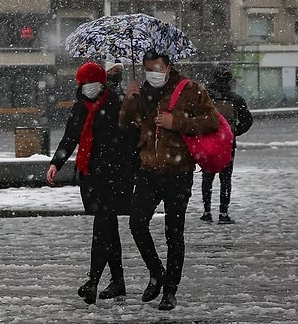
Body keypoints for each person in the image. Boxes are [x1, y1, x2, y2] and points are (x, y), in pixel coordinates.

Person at [119, 50, 219, 311]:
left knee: (174, 234)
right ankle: (156, 272)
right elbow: (125, 125)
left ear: (168, 67)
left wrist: (178, 122)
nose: (152, 74)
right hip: (148, 170)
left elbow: (211, 120)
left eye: (157, 68)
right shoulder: (141, 91)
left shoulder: (191, 89)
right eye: (148, 69)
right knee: (137, 223)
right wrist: (130, 101)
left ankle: (170, 291)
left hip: (179, 172)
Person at [46, 62, 136, 305]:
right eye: (82, 83)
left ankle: (93, 282)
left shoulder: (118, 104)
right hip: (92, 176)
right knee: (108, 228)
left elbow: (131, 139)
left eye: (89, 82)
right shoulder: (80, 108)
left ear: (100, 82)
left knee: (102, 227)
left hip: (116, 176)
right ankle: (118, 281)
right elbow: (70, 138)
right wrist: (56, 163)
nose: (85, 87)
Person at [200, 65, 254, 225]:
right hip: (227, 143)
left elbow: (195, 116)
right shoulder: (235, 99)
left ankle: (207, 211)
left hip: (208, 142)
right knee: (225, 179)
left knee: (207, 177)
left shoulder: (205, 97)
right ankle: (223, 212)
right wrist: (234, 131)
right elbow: (247, 120)